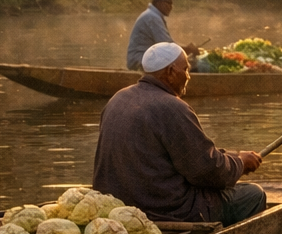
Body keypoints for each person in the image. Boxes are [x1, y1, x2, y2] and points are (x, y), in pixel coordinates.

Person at [91, 43, 265, 223]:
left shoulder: (118, 98)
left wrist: (230, 157)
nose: (188, 76)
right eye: (186, 69)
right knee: (254, 195)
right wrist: (240, 164)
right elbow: (206, 171)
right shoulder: (172, 107)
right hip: (165, 210)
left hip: (115, 207)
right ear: (171, 72)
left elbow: (191, 156)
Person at [126, 0, 198, 72]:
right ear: (159, 3)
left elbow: (168, 45)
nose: (171, 7)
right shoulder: (152, 17)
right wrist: (188, 49)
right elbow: (167, 46)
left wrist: (186, 49)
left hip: (147, 58)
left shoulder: (153, 15)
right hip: (139, 60)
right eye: (169, 3)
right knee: (184, 67)